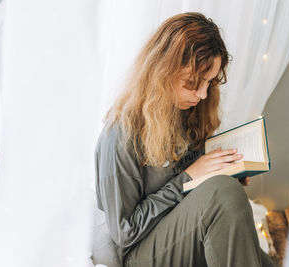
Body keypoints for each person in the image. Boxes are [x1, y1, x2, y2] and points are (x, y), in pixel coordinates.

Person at [94, 12, 278, 267]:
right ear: (162, 73)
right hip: (141, 253)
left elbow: (194, 183)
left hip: (186, 227)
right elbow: (126, 232)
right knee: (222, 194)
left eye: (209, 83)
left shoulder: (186, 111)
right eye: (192, 83)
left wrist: (224, 170)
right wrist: (188, 179)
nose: (202, 94)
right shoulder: (120, 135)